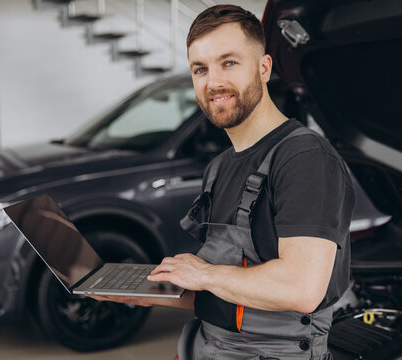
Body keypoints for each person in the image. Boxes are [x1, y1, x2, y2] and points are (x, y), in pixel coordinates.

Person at [88, 4, 355, 359]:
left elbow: (302, 287)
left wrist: (205, 274)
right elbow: (227, 288)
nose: (213, 82)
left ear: (263, 68)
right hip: (208, 346)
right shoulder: (220, 166)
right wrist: (145, 290)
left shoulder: (304, 158)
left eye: (229, 62)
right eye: (201, 68)